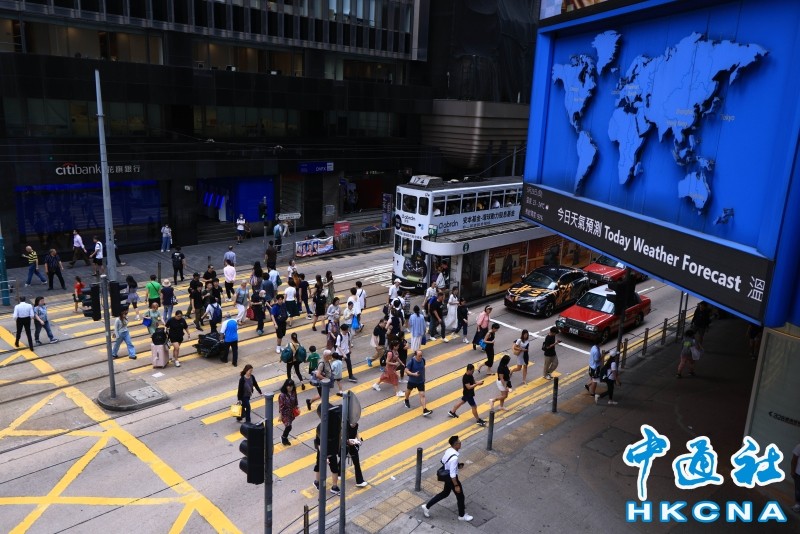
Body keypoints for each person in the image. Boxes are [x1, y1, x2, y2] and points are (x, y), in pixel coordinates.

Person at [421, 435, 472, 522]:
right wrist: (456, 485)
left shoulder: (449, 450)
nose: (461, 443)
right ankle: (462, 516)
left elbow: (443, 461)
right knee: (460, 496)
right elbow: (452, 475)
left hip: (447, 476)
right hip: (452, 479)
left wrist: (457, 466)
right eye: (459, 442)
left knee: (445, 493)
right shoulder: (454, 458)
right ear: (455, 445)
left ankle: (426, 506)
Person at [313, 404, 341, 495]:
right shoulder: (322, 427)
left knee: (334, 468)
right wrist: (324, 455)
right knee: (320, 466)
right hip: (325, 451)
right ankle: (318, 482)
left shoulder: (332, 425)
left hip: (331, 451)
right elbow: (319, 443)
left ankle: (334, 486)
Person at [404, 350, 432, 416]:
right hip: (412, 381)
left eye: (421, 355)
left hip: (420, 381)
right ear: (415, 355)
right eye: (419, 356)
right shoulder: (411, 361)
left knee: (422, 395)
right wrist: (413, 374)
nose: (421, 357)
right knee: (408, 391)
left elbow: (423, 369)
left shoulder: (423, 360)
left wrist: (424, 377)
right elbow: (406, 370)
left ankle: (425, 410)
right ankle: (406, 400)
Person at [346, 421, 368, 487]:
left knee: (356, 463)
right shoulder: (345, 425)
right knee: (342, 457)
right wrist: (347, 441)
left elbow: (356, 432)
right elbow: (341, 435)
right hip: (344, 445)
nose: (355, 424)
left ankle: (359, 481)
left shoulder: (356, 424)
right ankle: (339, 472)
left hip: (353, 445)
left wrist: (358, 440)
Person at [278, 379, 299, 446]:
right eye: (289, 386)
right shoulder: (282, 395)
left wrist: (297, 407)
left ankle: (284, 438)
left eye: (291, 386)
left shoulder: (293, 392)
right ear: (286, 386)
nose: (290, 388)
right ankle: (283, 437)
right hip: (285, 413)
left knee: (289, 426)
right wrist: (280, 415)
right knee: (289, 426)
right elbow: (281, 406)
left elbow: (295, 400)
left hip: (291, 412)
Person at [791, 442, 800, 513]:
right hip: (798, 473)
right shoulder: (799, 446)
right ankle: (797, 505)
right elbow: (794, 459)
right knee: (798, 490)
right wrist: (792, 471)